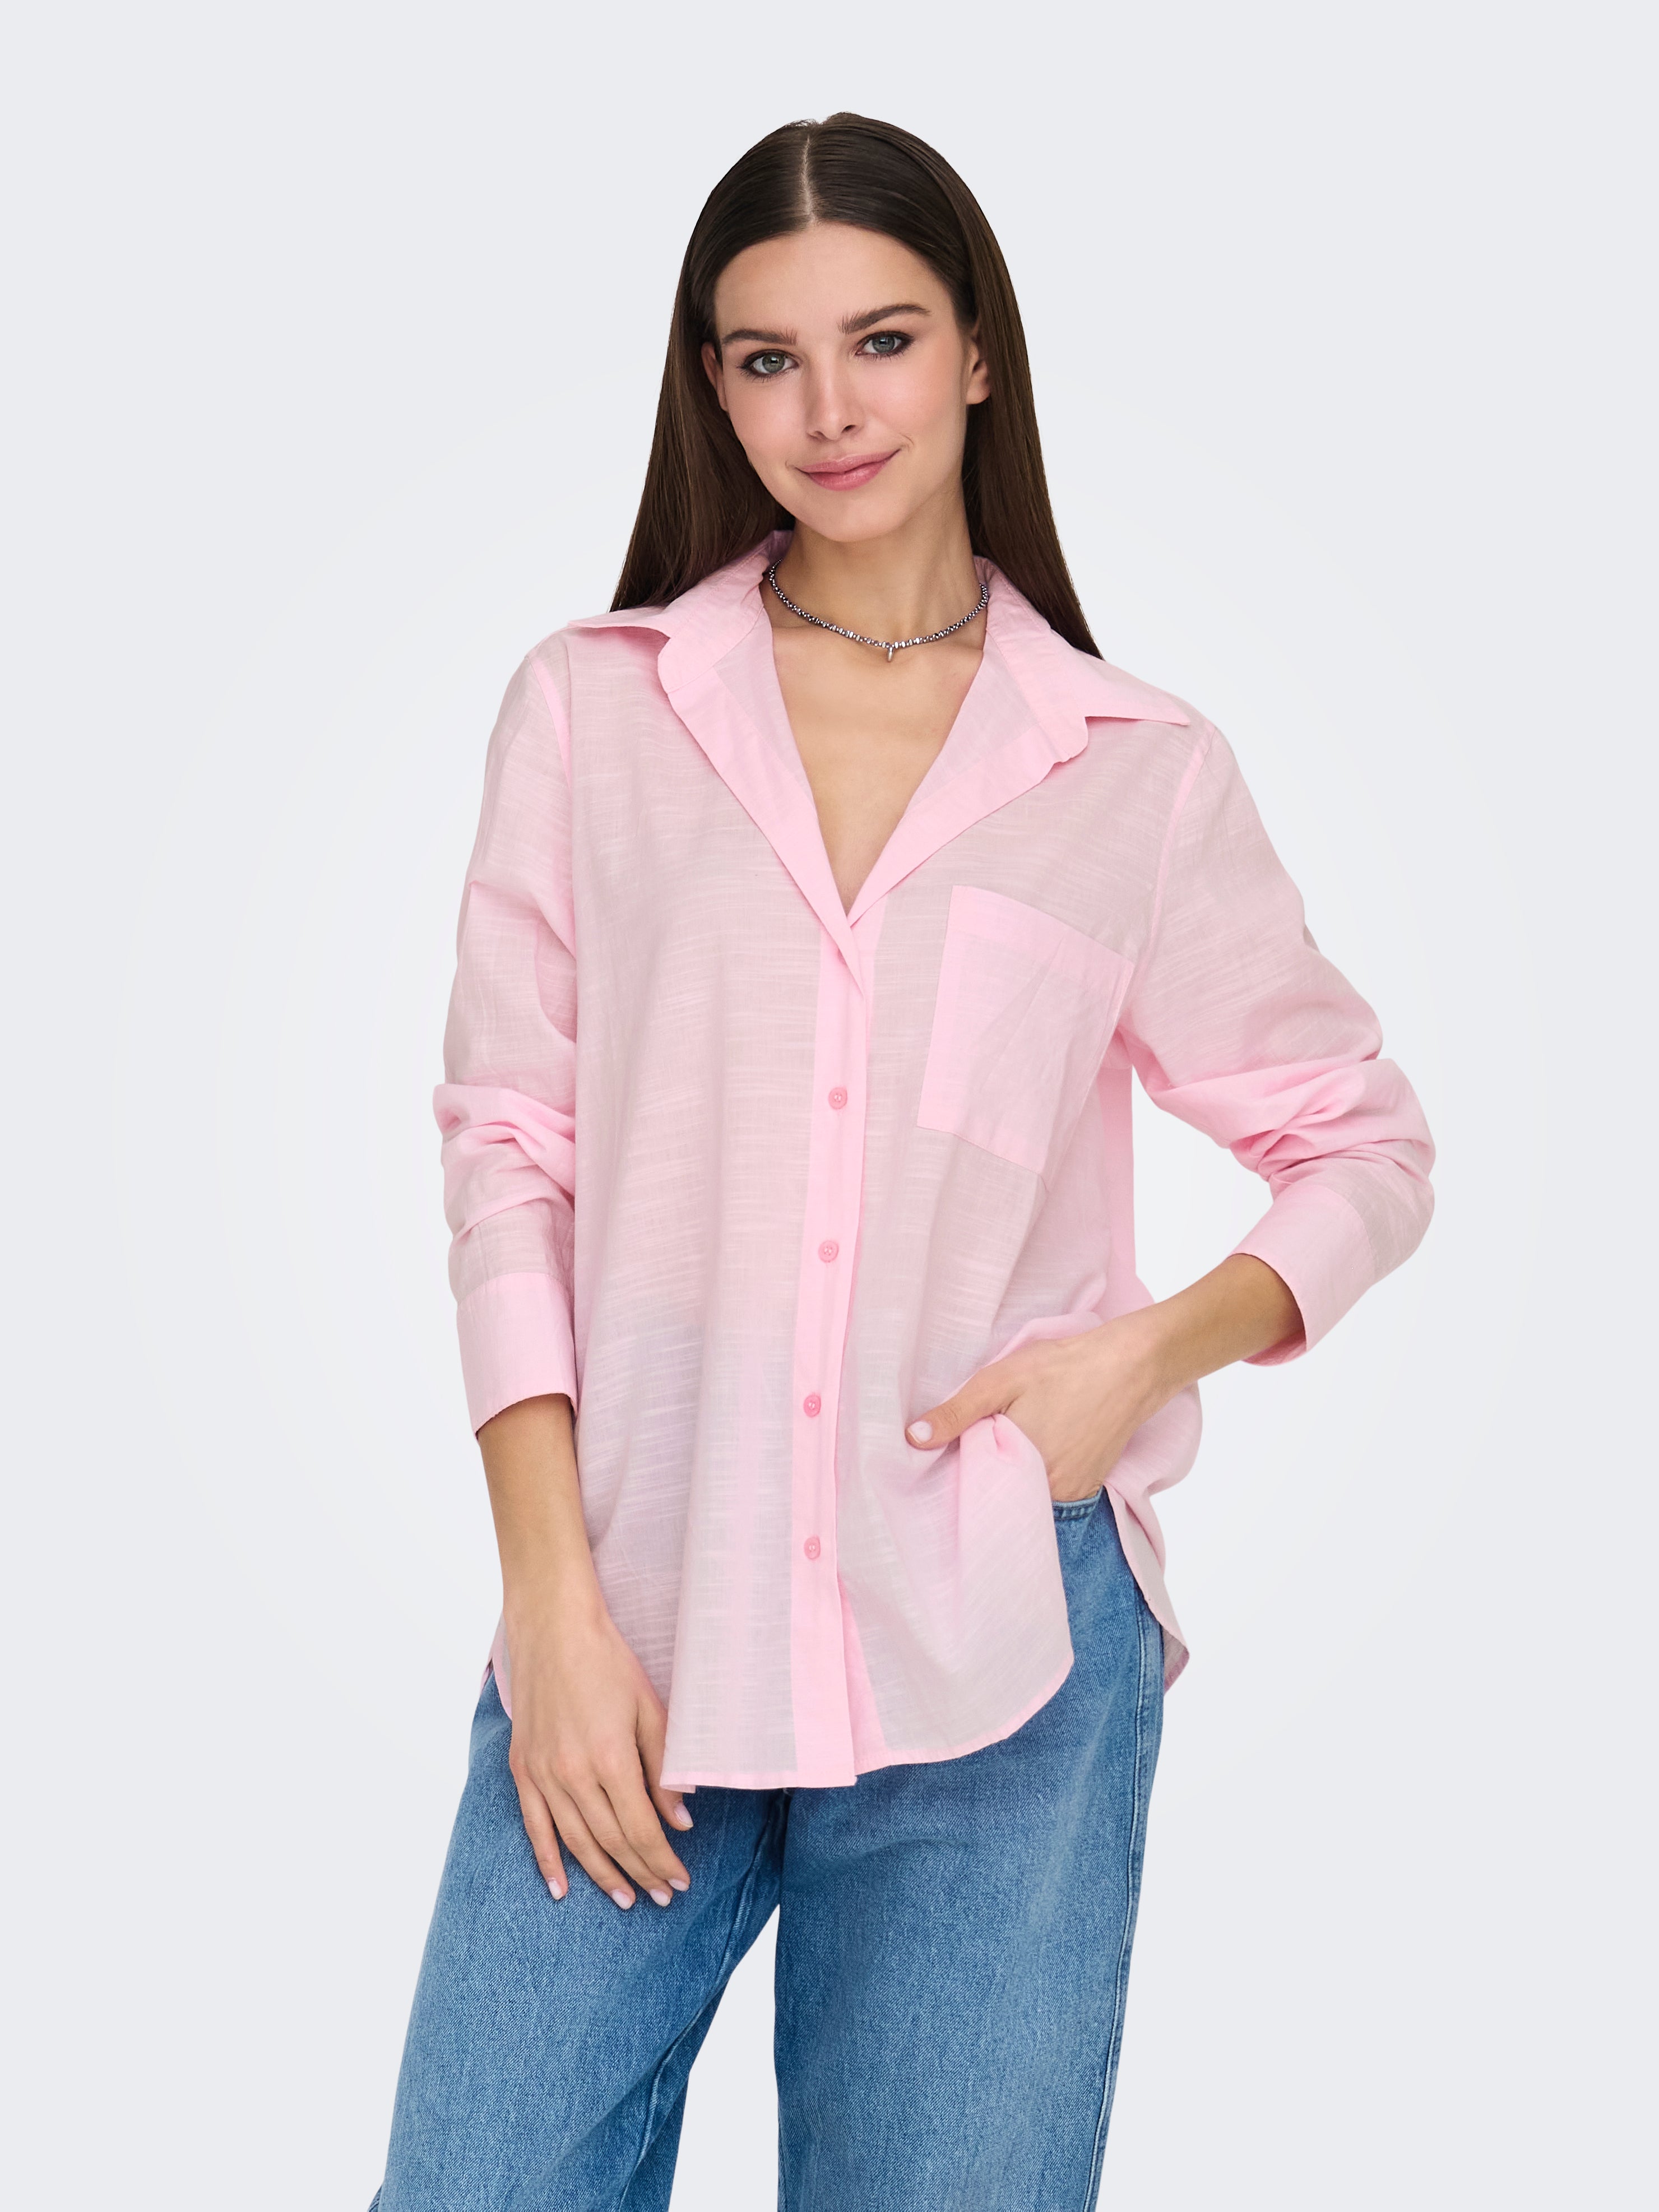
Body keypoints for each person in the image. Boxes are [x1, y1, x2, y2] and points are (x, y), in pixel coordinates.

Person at [370, 112, 1434, 2212]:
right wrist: (548, 1598)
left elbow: (1362, 1140)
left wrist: (1145, 1353)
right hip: (635, 1620)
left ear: (976, 354)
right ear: (712, 390)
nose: (830, 409)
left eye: (881, 340)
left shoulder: (1133, 772)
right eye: (767, 359)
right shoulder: (595, 714)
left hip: (997, 1638)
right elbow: (511, 1152)